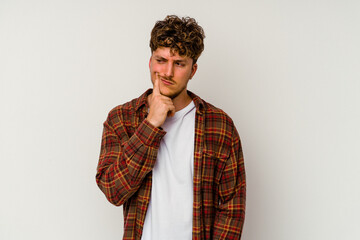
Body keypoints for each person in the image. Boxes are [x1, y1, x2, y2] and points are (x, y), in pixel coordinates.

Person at [96, 15, 246, 240]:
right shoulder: (121, 119)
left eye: (179, 63)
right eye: (161, 60)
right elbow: (113, 190)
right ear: (150, 61)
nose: (167, 72)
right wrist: (150, 124)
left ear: (193, 70)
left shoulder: (220, 125)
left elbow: (232, 208)